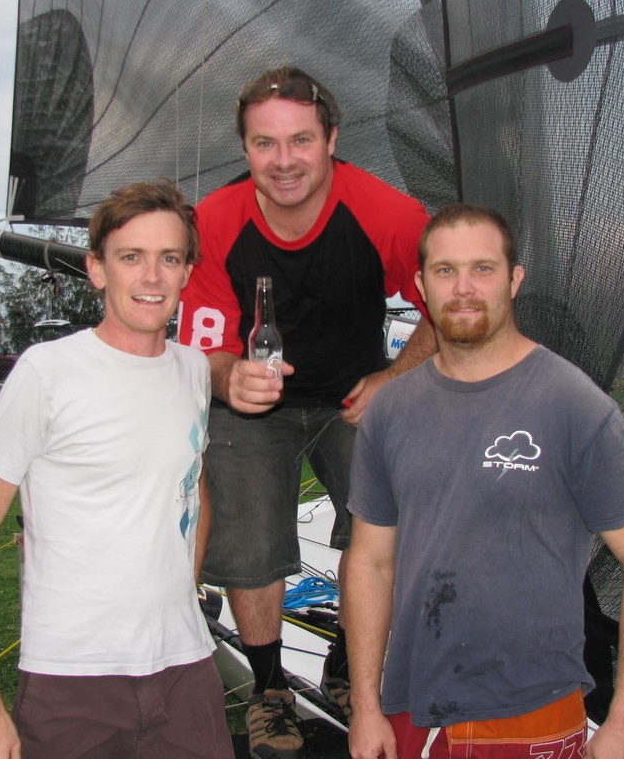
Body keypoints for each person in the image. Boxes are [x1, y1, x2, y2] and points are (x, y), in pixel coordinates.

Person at [345, 203, 624, 759]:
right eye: (446, 271)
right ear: (421, 287)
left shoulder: (572, 403)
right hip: (411, 705)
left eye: (483, 269)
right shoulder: (391, 411)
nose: (464, 288)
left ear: (515, 280)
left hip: (529, 710)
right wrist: (365, 705)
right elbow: (370, 562)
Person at [177, 65, 437, 758]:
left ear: (331, 140)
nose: (284, 161)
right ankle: (269, 691)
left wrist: (394, 378)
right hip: (256, 402)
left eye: (300, 141)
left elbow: (451, 304)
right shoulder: (213, 222)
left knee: (388, 523)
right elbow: (199, 353)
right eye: (265, 144)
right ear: (245, 149)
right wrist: (230, 376)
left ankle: (352, 668)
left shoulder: (387, 212)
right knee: (246, 528)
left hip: (352, 396)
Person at [0, 180, 234, 759]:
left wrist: (186, 584)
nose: (151, 277)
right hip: (69, 678)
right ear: (98, 269)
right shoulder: (47, 372)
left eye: (169, 258)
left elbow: (194, 487)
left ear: (186, 273)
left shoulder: (193, 372)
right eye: (131, 257)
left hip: (185, 669)